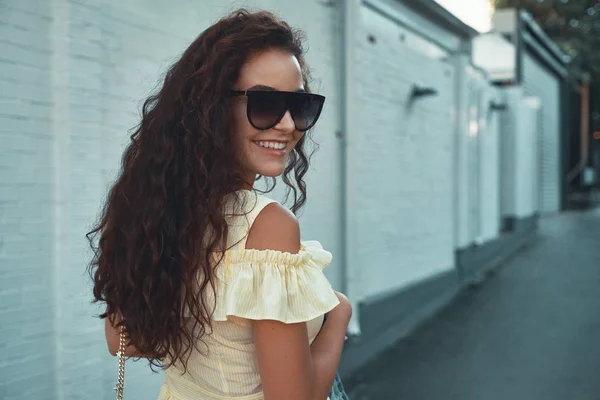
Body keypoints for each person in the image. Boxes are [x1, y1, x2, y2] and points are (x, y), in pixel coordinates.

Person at [87, 8, 352, 400]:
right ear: (211, 109)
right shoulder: (267, 226)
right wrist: (337, 317)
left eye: (299, 105)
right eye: (264, 103)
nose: (287, 124)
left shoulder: (155, 210)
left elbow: (125, 341)